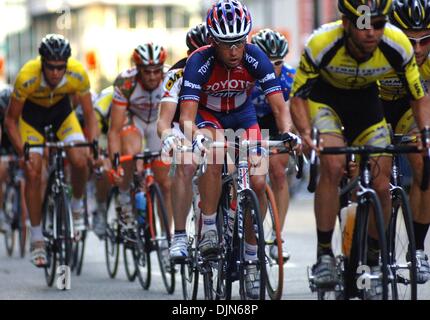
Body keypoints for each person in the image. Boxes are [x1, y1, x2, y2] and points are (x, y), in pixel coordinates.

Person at [290, 0, 430, 299]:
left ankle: (375, 257)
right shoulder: (321, 43)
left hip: (367, 105)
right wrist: (305, 134)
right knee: (333, 165)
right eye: (363, 26)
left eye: (378, 25)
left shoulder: (397, 44)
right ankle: (325, 255)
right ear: (346, 25)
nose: (371, 33)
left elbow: (418, 96)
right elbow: (298, 97)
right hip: (327, 102)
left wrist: (425, 134)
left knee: (382, 183)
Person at [179, 0, 297, 299]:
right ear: (213, 41)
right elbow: (187, 117)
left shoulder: (256, 57)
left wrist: (288, 134)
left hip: (244, 118)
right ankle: (208, 227)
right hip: (209, 117)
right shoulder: (198, 61)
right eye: (226, 44)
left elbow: (280, 107)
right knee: (216, 154)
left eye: (239, 43)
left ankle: (252, 256)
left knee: (258, 181)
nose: (234, 51)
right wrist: (197, 138)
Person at [5, 34, 98, 267]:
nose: (56, 73)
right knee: (33, 171)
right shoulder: (26, 76)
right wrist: (22, 152)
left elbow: (89, 115)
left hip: (62, 114)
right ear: (42, 63)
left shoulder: (77, 73)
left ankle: (76, 208)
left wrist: (93, 144)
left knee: (79, 157)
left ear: (67, 64)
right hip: (31, 119)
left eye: (60, 68)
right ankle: (37, 239)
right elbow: (10, 121)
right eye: (51, 67)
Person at [380, 0, 430, 284]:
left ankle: (418, 249)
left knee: (425, 165)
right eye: (411, 41)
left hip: (411, 109)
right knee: (376, 173)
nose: (418, 49)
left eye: (426, 40)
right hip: (374, 108)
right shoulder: (379, 50)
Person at [107, 43, 173, 231]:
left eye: (156, 71)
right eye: (147, 72)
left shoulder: (171, 78)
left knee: (165, 183)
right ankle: (125, 196)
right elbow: (113, 130)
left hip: (158, 122)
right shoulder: (125, 83)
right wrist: (116, 164)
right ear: (138, 70)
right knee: (131, 150)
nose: (152, 76)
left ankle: (167, 237)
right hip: (134, 119)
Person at [157, 23, 208, 263]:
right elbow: (164, 121)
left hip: (211, 124)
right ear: (189, 53)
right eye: (195, 53)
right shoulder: (176, 74)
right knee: (186, 164)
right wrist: (169, 138)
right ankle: (179, 235)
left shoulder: (224, 68)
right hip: (181, 126)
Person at [251, 28, 296, 262]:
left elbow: (293, 113)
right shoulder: (246, 77)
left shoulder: (289, 78)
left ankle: (277, 237)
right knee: (254, 174)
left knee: (278, 173)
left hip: (276, 120)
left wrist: (294, 137)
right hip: (250, 121)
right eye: (267, 63)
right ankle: (250, 225)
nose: (272, 68)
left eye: (278, 63)